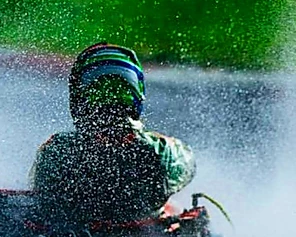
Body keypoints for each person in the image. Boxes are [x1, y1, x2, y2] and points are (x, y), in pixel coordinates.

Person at [30, 42, 196, 223]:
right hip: (143, 228)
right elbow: (188, 169)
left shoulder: (58, 150)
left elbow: (41, 190)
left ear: (78, 99)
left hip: (73, 232)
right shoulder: (167, 152)